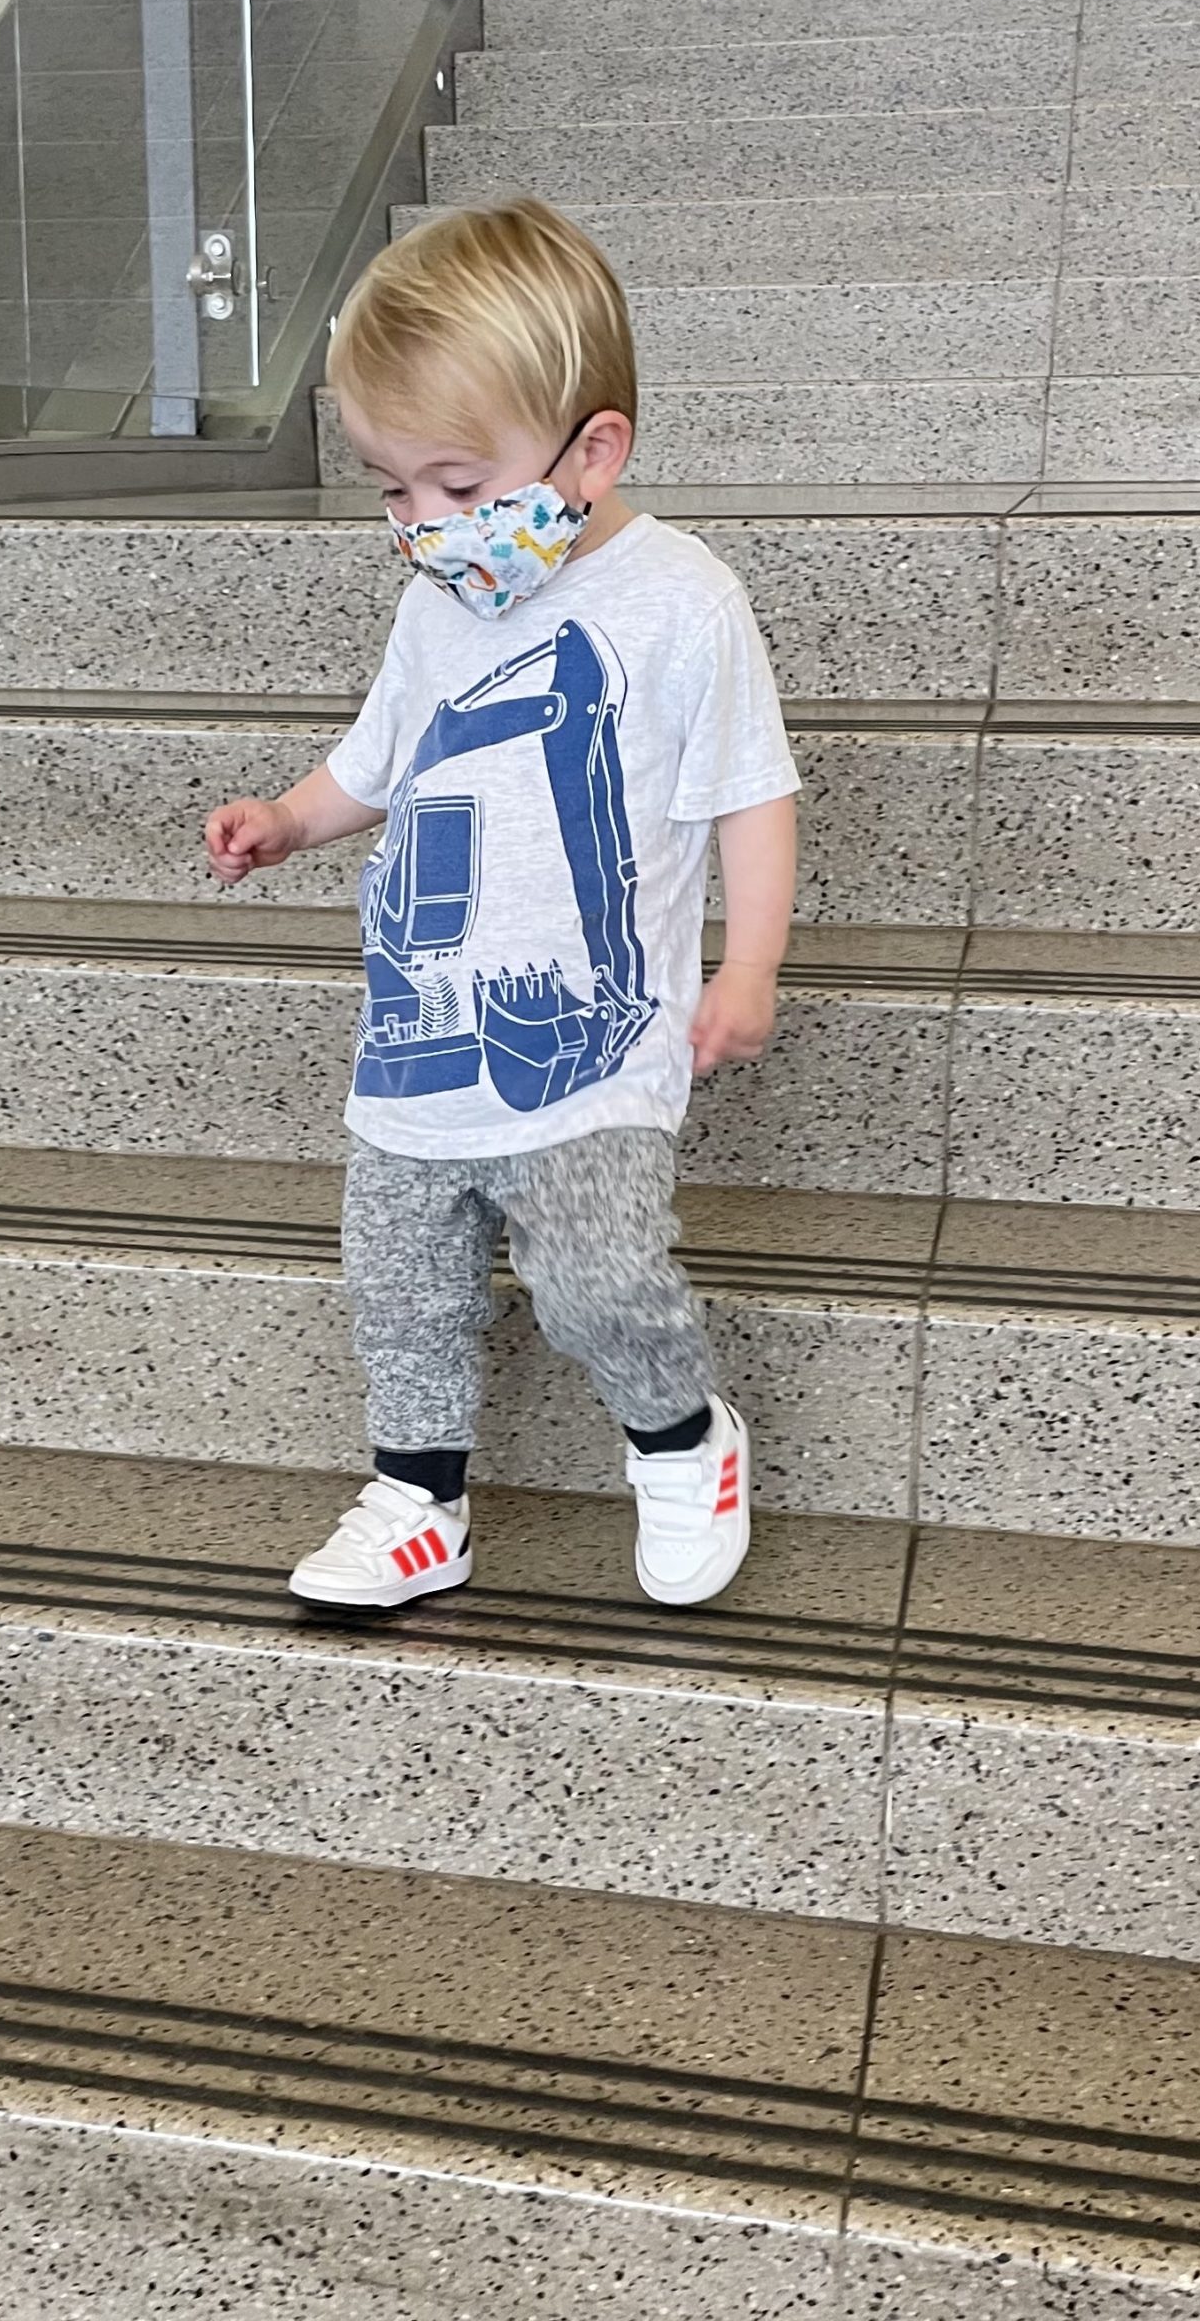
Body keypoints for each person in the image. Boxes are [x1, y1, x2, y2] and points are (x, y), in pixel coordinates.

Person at [203, 198, 799, 1612]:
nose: (426, 527)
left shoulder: (680, 604)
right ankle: (419, 1504)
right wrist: (291, 818)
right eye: (393, 491)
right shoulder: (440, 605)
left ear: (593, 449)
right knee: (400, 1285)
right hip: (417, 1042)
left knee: (596, 1275)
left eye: (461, 488)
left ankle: (682, 1440)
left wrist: (750, 963)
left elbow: (750, 796)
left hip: (593, 1049)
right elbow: (382, 760)